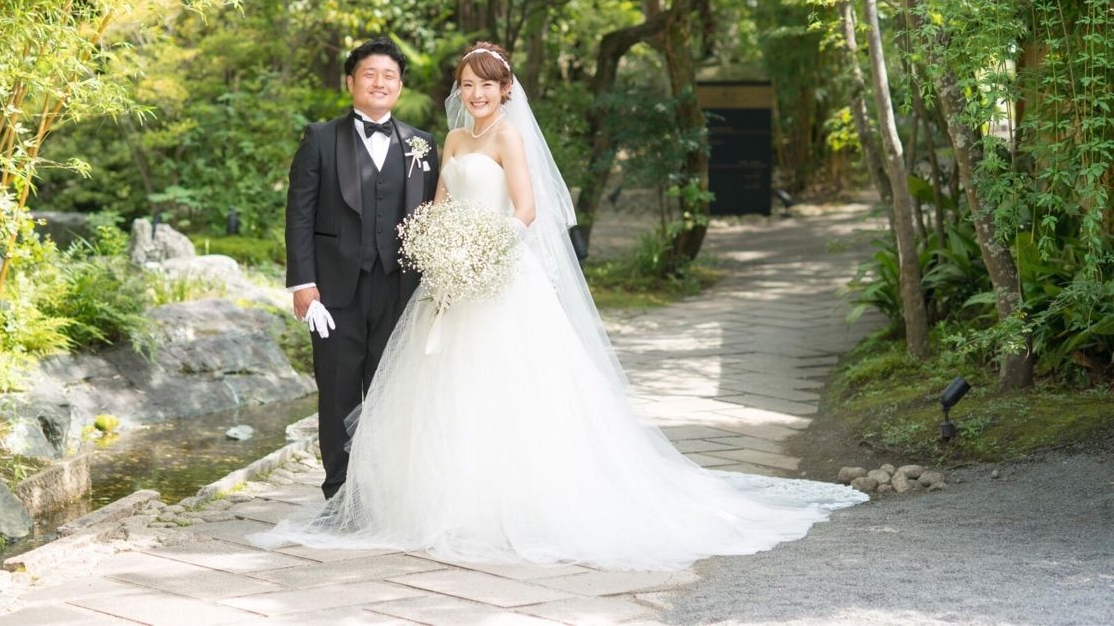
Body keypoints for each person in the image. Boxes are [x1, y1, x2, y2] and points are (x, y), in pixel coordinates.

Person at [253, 42, 866, 569]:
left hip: (494, 277)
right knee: (410, 394)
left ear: (505, 89)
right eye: (467, 85)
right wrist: (429, 255)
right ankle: (365, 500)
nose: (475, 94)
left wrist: (481, 254)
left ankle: (502, 505)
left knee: (505, 391)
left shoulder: (489, 137)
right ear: (355, 81)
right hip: (436, 284)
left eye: (486, 85)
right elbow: (429, 209)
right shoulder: (436, 139)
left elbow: (525, 210)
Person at [284, 35, 439, 500]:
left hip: (400, 290)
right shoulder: (320, 138)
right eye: (369, 74)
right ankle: (339, 493)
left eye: (389, 76)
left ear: (400, 86)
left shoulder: (422, 145)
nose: (379, 82)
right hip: (334, 292)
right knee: (338, 391)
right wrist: (303, 283)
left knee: (392, 393)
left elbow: (434, 217)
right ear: (351, 81)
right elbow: (299, 213)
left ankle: (384, 493)